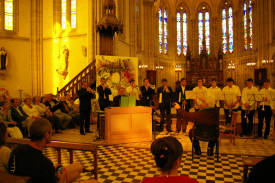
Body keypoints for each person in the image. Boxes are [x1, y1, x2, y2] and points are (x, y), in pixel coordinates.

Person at [8, 118, 84, 183]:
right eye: (51, 132)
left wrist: (53, 169)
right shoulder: (45, 164)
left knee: (78, 167)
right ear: (47, 135)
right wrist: (62, 176)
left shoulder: (16, 151)